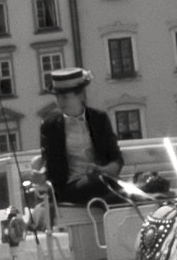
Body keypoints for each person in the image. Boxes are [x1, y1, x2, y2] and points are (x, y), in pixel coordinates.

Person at [40, 67, 124, 208]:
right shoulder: (51, 126)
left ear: (80, 95)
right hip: (69, 187)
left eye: (65, 97)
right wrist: (41, 175)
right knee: (100, 183)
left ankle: (128, 197)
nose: (60, 102)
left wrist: (103, 169)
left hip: (102, 182)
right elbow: (49, 164)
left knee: (104, 185)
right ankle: (136, 195)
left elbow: (116, 159)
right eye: (58, 97)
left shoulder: (99, 119)